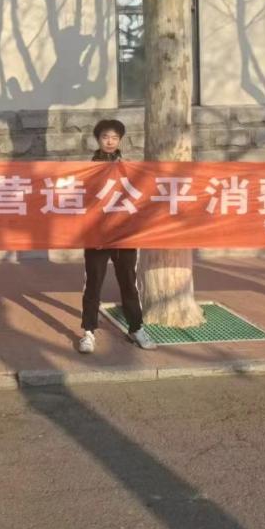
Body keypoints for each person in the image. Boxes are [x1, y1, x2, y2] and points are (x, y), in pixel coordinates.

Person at [77, 119, 156, 354]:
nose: (110, 141)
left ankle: (136, 328)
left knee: (128, 283)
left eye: (114, 137)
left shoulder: (130, 169)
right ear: (98, 139)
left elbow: (142, 196)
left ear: (120, 140)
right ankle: (88, 332)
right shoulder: (87, 169)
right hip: (97, 236)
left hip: (124, 235)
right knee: (93, 284)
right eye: (105, 137)